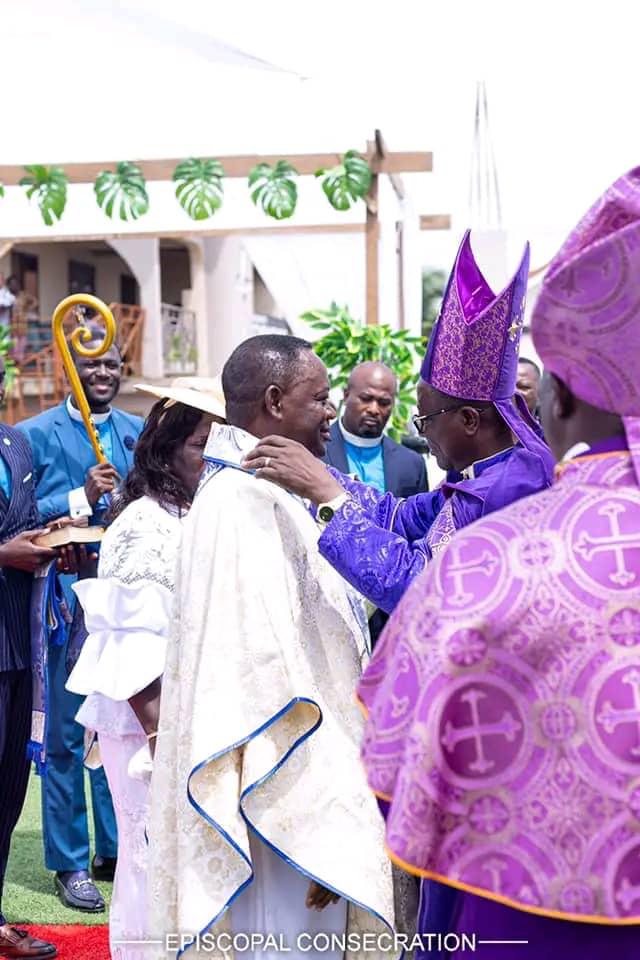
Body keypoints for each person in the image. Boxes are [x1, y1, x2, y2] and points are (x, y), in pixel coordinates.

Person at [356, 167, 640, 958]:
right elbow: (402, 515)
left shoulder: (492, 557)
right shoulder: (472, 492)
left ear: (562, 401)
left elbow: (397, 756)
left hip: (514, 912)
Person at [147, 336, 395, 960]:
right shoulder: (238, 505)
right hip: (279, 796)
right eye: (320, 399)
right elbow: (265, 685)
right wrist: (319, 815)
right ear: (276, 402)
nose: (332, 412)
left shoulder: (276, 490)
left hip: (309, 780)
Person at [244, 231, 554, 615]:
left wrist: (329, 498)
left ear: (470, 420)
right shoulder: (483, 474)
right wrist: (319, 477)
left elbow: (419, 588)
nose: (422, 433)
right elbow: (400, 516)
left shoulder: (507, 490)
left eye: (424, 420)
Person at [67, 378, 225, 960]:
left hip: (192, 717)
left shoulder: (198, 512)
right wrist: (161, 738)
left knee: (185, 860)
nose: (211, 460)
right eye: (200, 446)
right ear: (166, 448)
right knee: (148, 853)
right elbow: (132, 645)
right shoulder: (143, 523)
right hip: (147, 723)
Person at [18, 328, 143, 912]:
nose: (102, 373)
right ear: (70, 368)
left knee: (116, 724)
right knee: (69, 736)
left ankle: (113, 848)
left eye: (111, 363)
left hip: (124, 598)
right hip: (63, 602)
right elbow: (19, 516)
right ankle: (70, 862)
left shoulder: (135, 433)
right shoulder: (34, 435)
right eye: (90, 363)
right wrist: (76, 496)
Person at [0, 355, 58, 959]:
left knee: (9, 788)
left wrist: (53, 536)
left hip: (20, 646)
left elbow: (25, 523)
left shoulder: (15, 443)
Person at [323, 362, 428, 497]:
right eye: (366, 399)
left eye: (383, 403)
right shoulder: (314, 452)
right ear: (346, 395)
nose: (374, 409)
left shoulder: (412, 465)